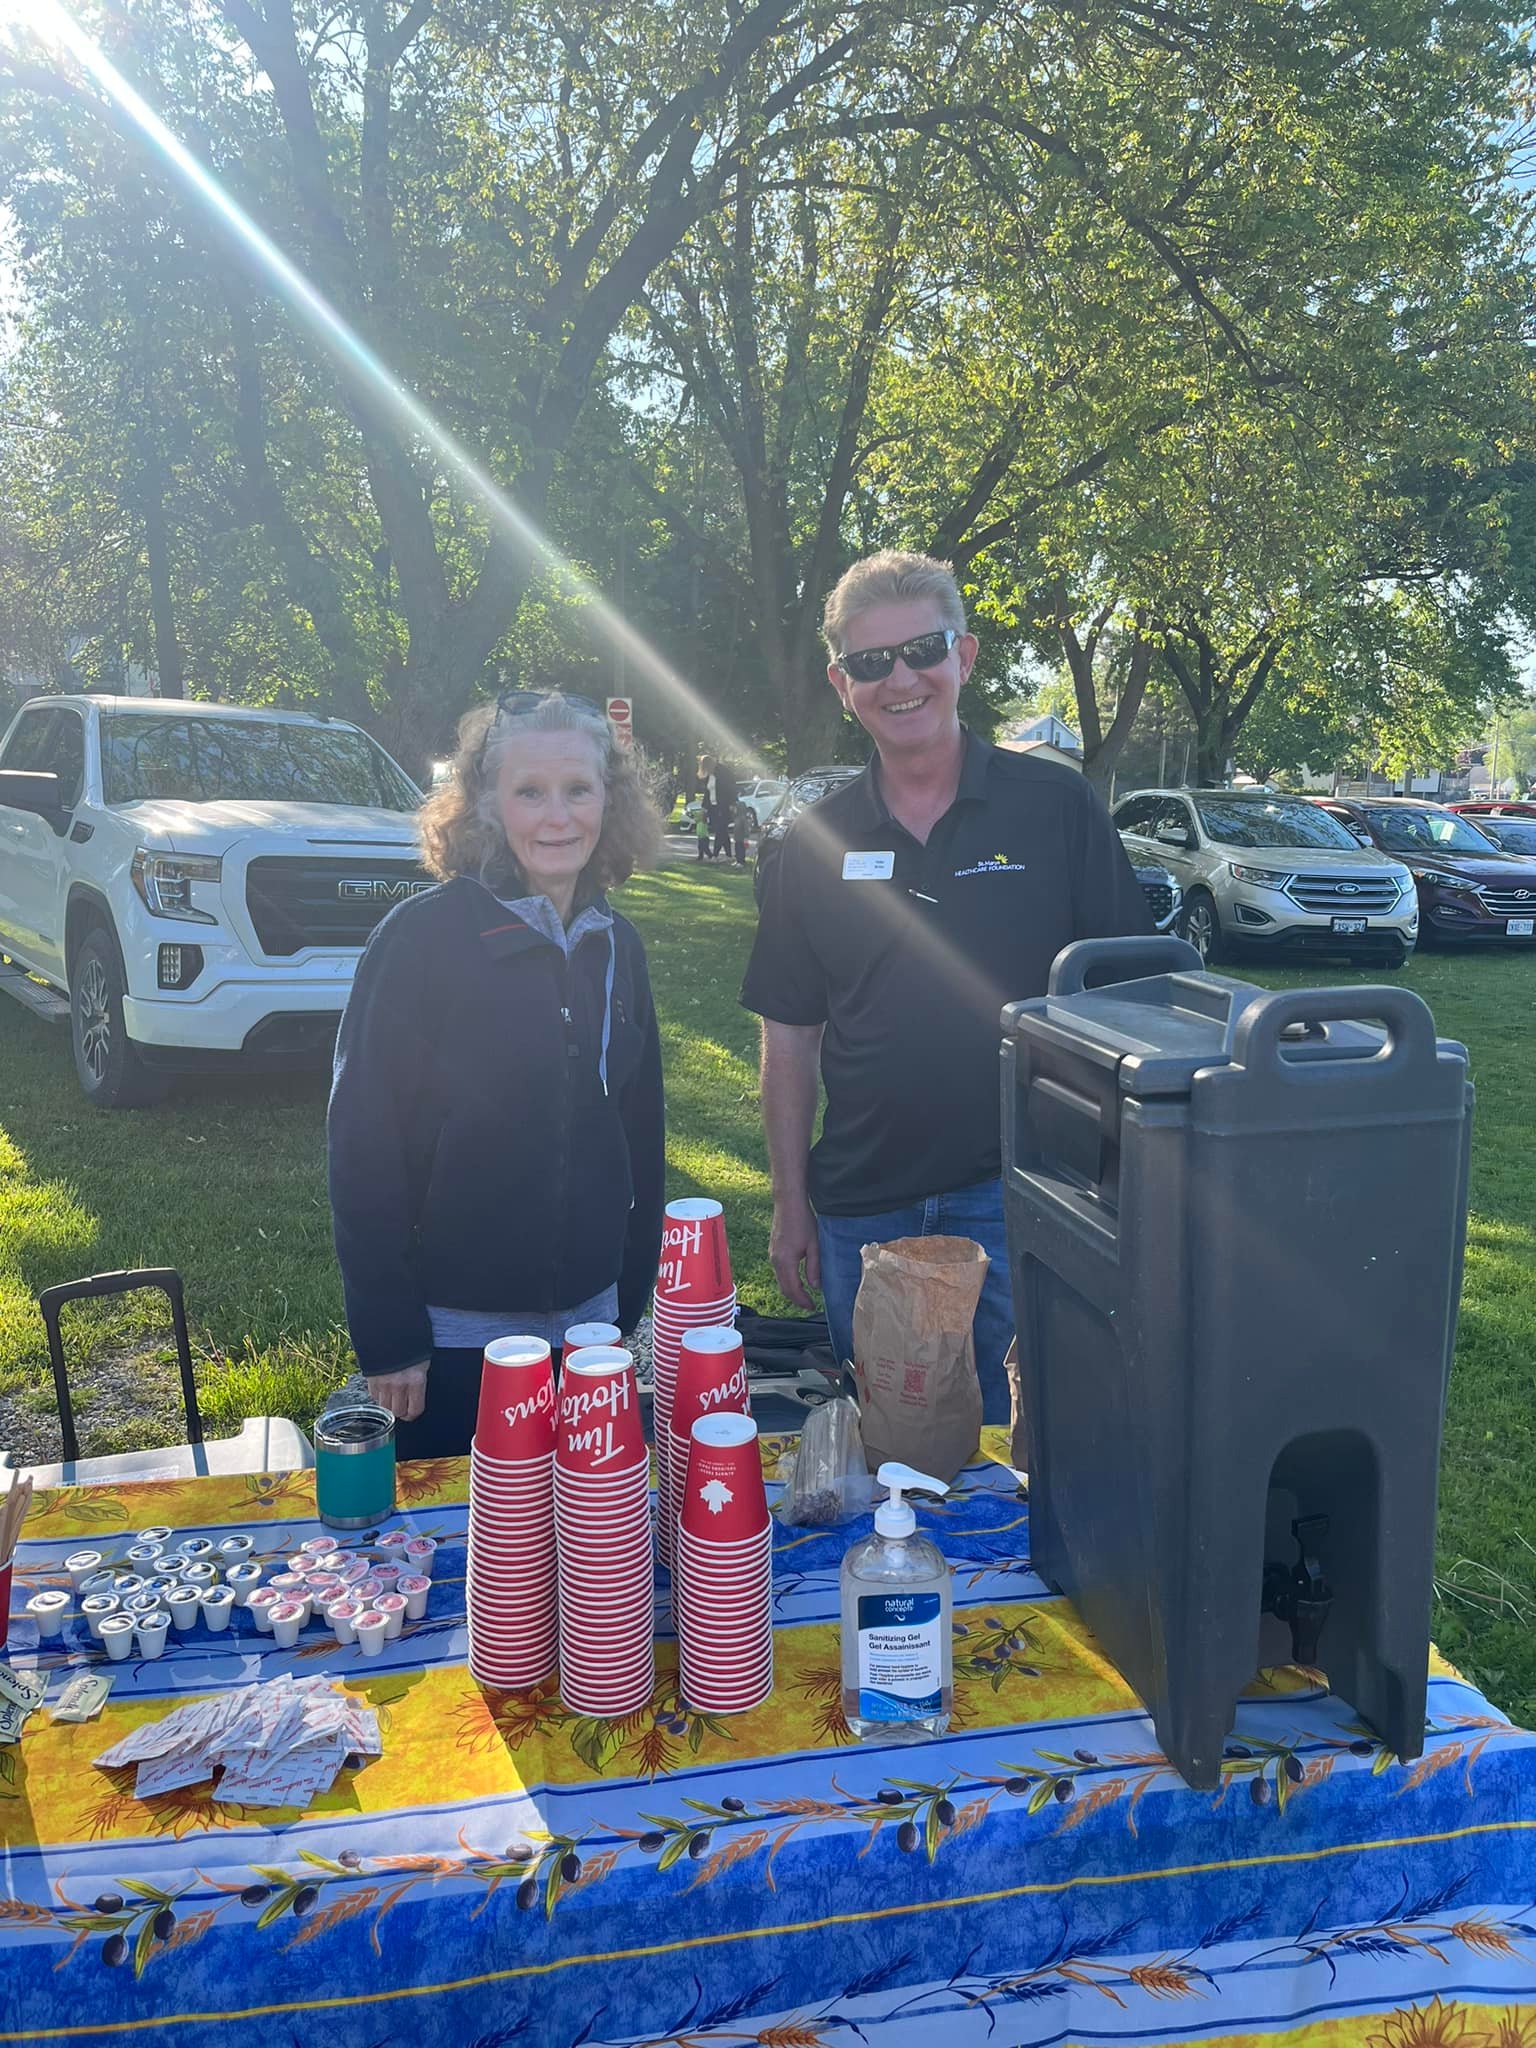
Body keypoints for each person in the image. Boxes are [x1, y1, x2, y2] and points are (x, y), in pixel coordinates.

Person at [741, 551, 1150, 1423]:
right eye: (870, 662)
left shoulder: (1056, 807)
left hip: (1022, 1191)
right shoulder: (813, 840)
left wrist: (1117, 1185)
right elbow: (790, 1035)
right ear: (842, 684)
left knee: (1017, 1448)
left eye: (922, 650)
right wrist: (788, 1204)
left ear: (964, 657)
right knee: (889, 1445)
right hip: (862, 1202)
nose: (900, 679)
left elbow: (1128, 1001)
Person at [328, 691, 666, 1458]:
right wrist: (389, 1335)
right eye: (529, 792)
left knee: (587, 1523)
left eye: (578, 789)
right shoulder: (419, 941)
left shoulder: (618, 945)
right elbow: (362, 1144)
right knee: (473, 1534)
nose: (558, 817)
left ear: (610, 800)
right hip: (456, 1341)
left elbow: (641, 1129)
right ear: (485, 803)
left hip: (591, 1332)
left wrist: (628, 1295)